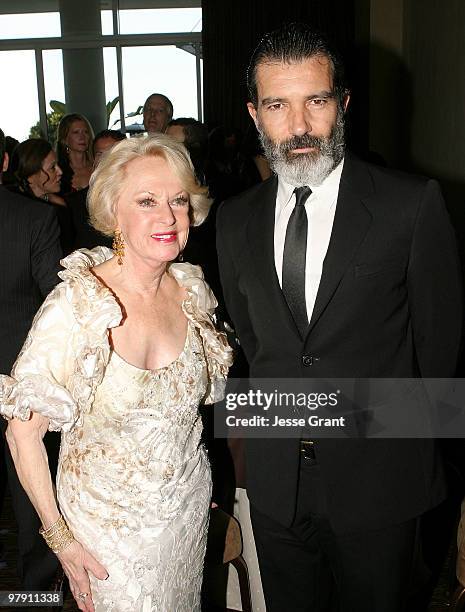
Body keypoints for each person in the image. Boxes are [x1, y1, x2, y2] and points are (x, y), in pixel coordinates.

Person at [216, 23, 463, 612]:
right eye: (278, 105)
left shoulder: (411, 204)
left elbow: (440, 358)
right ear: (255, 113)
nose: (299, 127)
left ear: (343, 104)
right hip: (277, 488)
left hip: (381, 488)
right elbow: (257, 349)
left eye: (316, 101)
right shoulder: (233, 220)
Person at [1, 134, 232, 612]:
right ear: (113, 213)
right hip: (107, 534)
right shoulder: (79, 306)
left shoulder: (192, 292)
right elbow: (23, 437)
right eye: (146, 201)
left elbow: (185, 412)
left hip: (186, 514)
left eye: (178, 201)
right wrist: (60, 539)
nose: (168, 217)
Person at [0, 128, 62, 590]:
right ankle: (35, 602)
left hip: (23, 393)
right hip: (19, 386)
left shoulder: (36, 219)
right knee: (33, 509)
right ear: (4, 164)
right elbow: (53, 309)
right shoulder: (34, 219)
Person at [9, 138, 73, 254]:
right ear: (31, 174)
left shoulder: (59, 205)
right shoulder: (14, 209)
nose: (60, 172)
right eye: (52, 167)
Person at [66, 129, 126, 250]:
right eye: (100, 154)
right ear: (93, 159)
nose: (105, 159)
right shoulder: (75, 204)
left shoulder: (142, 199)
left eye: (112, 153)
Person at [56, 113, 94, 195]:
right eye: (76, 132)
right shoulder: (58, 172)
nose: (82, 137)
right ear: (64, 139)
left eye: (86, 132)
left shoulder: (97, 168)